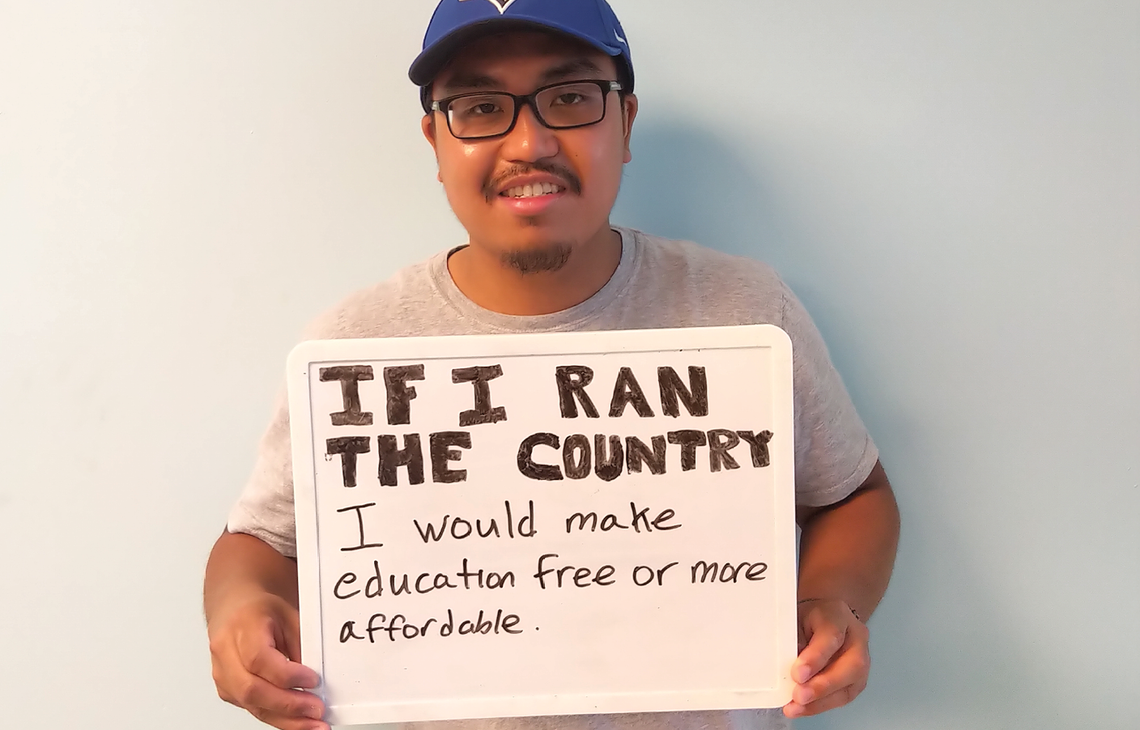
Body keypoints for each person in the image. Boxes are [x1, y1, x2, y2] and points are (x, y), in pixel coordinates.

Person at [203, 1, 901, 729]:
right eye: (479, 107)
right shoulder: (354, 348)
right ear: (435, 140)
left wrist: (828, 598)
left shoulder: (742, 309)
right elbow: (259, 542)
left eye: (569, 98)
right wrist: (240, 609)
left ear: (625, 123)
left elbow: (853, 494)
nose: (529, 142)